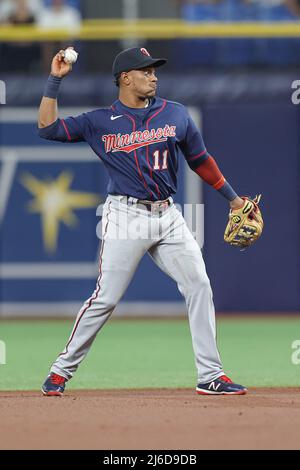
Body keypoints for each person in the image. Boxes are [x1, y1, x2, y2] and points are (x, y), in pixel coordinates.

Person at [38, 46, 248, 397]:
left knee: (199, 284)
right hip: (125, 215)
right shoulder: (99, 121)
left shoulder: (175, 114)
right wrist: (54, 80)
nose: (153, 76)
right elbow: (47, 128)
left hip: (169, 215)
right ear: (125, 78)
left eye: (154, 70)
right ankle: (60, 371)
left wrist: (234, 198)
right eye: (145, 70)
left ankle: (211, 374)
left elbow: (201, 160)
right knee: (105, 298)